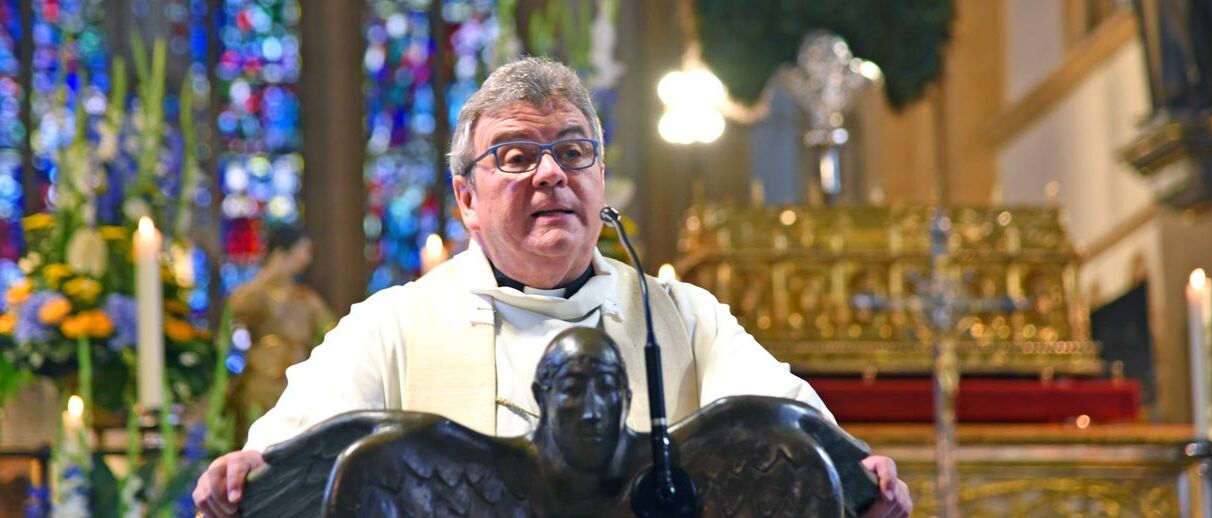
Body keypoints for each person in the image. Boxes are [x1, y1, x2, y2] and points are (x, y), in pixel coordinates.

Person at [194, 56, 912, 518]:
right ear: (466, 199)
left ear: (600, 181)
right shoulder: (395, 324)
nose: (550, 174)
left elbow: (791, 429)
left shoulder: (682, 317)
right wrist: (242, 475)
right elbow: (288, 461)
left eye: (573, 152)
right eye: (515, 156)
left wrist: (861, 474)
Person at [224, 226, 333, 444]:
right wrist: (269, 273)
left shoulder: (306, 297)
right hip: (262, 379)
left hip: (300, 378)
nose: (307, 259)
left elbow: (332, 330)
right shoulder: (256, 293)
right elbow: (233, 317)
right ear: (282, 253)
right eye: (304, 251)